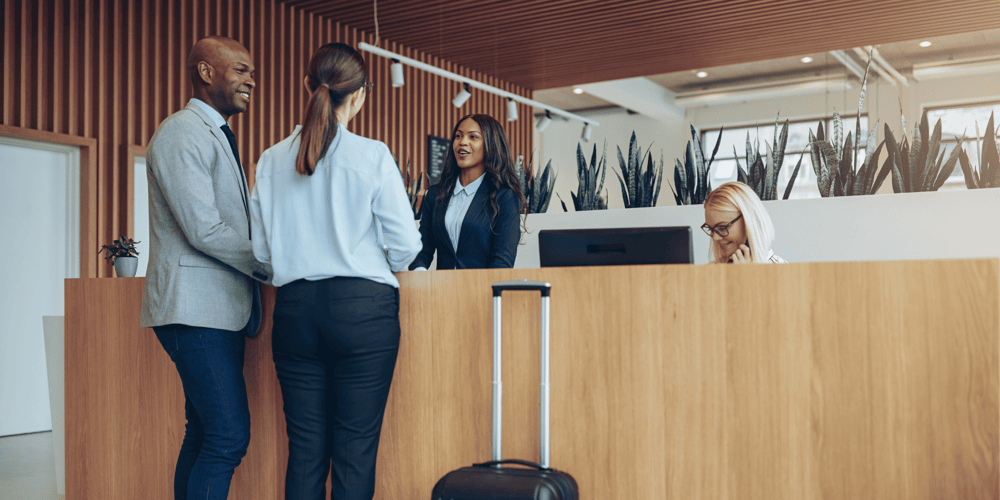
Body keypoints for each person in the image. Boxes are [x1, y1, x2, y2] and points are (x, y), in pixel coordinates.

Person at [249, 42, 421, 500]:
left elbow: (261, 255)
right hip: (364, 314)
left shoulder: (270, 160)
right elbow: (406, 248)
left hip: (295, 314)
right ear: (361, 94)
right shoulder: (372, 155)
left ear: (309, 86)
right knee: (354, 451)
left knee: (304, 452)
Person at [140, 36, 271, 500]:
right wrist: (271, 265)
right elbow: (203, 229)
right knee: (227, 437)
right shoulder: (182, 131)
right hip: (194, 313)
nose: (251, 80)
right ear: (205, 72)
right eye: (240, 70)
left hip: (214, 312)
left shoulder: (212, 132)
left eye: (251, 71)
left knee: (203, 434)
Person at [409, 113, 526, 270]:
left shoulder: (504, 196)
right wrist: (419, 273)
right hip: (440, 290)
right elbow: (423, 250)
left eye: (473, 137)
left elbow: (502, 260)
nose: (462, 142)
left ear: (490, 144)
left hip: (481, 290)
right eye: (458, 136)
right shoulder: (435, 195)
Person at [701, 181, 787, 264]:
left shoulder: (780, 269)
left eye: (722, 227)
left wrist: (746, 275)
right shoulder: (712, 270)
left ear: (748, 221)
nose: (715, 238)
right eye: (711, 229)